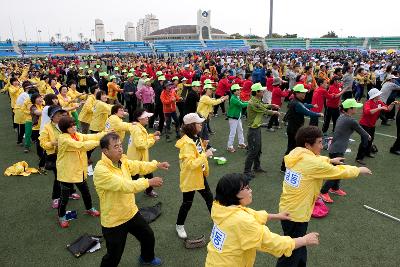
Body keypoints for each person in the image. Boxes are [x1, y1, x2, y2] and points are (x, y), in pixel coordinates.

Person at [277, 126, 372, 267]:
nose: (323, 146)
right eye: (320, 142)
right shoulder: (311, 163)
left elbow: (313, 160)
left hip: (289, 208)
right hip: (297, 214)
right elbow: (336, 172)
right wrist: (358, 170)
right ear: (308, 145)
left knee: (299, 243)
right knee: (292, 249)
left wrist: (329, 160)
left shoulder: (296, 153)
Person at [205, 173, 320, 267]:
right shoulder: (242, 221)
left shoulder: (220, 208)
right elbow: (274, 243)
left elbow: (252, 214)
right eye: (246, 188)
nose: (250, 190)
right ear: (233, 194)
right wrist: (304, 240)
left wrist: (277, 216)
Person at [94, 132, 169, 267]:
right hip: (114, 221)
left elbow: (137, 165)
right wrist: (148, 182)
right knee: (113, 256)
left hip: (131, 212)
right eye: (115, 146)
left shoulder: (121, 161)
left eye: (120, 145)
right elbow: (125, 186)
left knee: (148, 236)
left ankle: (147, 258)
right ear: (105, 151)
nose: (120, 149)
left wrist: (156, 165)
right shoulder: (101, 171)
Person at [56, 116, 104, 228]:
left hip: (79, 171)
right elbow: (81, 146)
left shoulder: (76, 135)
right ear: (64, 128)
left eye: (74, 124)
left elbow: (89, 136)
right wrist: (99, 142)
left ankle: (89, 208)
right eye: (71, 126)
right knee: (64, 197)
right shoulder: (63, 139)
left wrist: (105, 133)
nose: (74, 127)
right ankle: (61, 216)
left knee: (86, 192)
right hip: (67, 173)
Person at [319, 99, 371, 203]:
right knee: (337, 172)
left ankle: (334, 188)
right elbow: (362, 132)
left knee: (339, 170)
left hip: (335, 148)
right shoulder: (351, 121)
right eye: (355, 107)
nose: (357, 108)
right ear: (350, 109)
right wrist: (368, 137)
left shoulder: (342, 116)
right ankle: (323, 192)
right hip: (338, 150)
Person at [175, 113, 214, 239]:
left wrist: (204, 146)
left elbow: (196, 154)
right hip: (191, 178)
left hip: (199, 175)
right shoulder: (186, 143)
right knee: (187, 203)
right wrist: (205, 155)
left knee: (209, 198)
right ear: (191, 126)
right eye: (198, 123)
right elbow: (190, 164)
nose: (201, 124)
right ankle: (179, 225)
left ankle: (217, 220)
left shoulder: (195, 137)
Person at [39, 106, 80, 209]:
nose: (61, 117)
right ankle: (56, 198)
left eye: (62, 114)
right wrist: (53, 143)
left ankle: (71, 192)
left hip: (67, 153)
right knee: (59, 177)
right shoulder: (46, 128)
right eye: (58, 115)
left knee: (69, 172)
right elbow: (43, 144)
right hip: (54, 155)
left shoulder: (65, 125)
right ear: (52, 117)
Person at [280, 84, 323, 173]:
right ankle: (284, 167)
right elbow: (307, 112)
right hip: (294, 129)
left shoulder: (295, 101)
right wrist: (318, 114)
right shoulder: (297, 103)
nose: (304, 94)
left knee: (294, 148)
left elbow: (304, 106)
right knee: (292, 148)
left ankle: (288, 165)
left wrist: (312, 106)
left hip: (294, 129)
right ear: (297, 93)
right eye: (302, 93)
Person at [244, 83, 280, 178]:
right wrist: (274, 112)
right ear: (257, 92)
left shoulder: (256, 100)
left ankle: (256, 167)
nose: (263, 91)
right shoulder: (253, 103)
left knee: (258, 150)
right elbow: (264, 110)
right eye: (261, 91)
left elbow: (263, 105)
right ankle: (247, 171)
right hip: (253, 130)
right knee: (253, 151)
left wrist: (272, 105)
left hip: (257, 128)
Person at [356, 88, 398, 165]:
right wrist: (379, 108)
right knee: (364, 141)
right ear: (374, 96)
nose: (380, 95)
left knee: (370, 140)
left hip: (372, 124)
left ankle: (367, 153)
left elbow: (387, 109)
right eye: (378, 94)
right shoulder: (368, 103)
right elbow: (368, 112)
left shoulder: (379, 102)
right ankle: (359, 158)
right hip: (364, 125)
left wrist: (392, 104)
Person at [127, 109, 161, 197]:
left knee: (148, 174)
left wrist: (152, 135)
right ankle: (129, 197)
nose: (147, 118)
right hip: (136, 160)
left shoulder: (139, 127)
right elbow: (140, 144)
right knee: (134, 179)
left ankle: (148, 190)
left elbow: (143, 138)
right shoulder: (137, 129)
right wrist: (153, 139)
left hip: (140, 159)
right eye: (145, 117)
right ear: (139, 119)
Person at [226, 84, 248, 152]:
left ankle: (241, 143)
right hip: (233, 117)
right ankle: (229, 146)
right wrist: (250, 103)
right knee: (233, 132)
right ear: (233, 91)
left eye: (239, 89)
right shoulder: (233, 98)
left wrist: (248, 102)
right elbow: (242, 105)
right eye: (238, 90)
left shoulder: (236, 97)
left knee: (240, 129)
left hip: (237, 116)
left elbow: (242, 102)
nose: (239, 91)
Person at [30, 93, 46, 173]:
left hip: (44, 129)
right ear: (34, 99)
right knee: (40, 145)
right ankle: (41, 161)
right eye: (38, 98)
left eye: (41, 97)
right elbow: (38, 113)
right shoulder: (33, 107)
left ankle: (42, 160)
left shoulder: (43, 105)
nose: (40, 99)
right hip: (37, 129)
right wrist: (48, 110)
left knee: (44, 146)